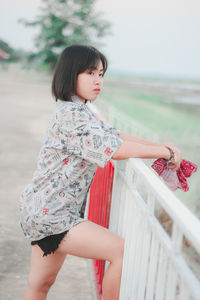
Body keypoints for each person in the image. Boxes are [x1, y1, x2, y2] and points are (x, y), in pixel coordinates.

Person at [19, 44, 182, 300]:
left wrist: (162, 146)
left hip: (45, 209)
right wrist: (163, 153)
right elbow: (114, 149)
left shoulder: (78, 110)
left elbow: (114, 135)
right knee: (122, 251)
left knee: (40, 284)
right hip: (53, 214)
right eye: (90, 73)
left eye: (101, 74)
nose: (98, 81)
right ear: (70, 74)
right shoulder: (71, 114)